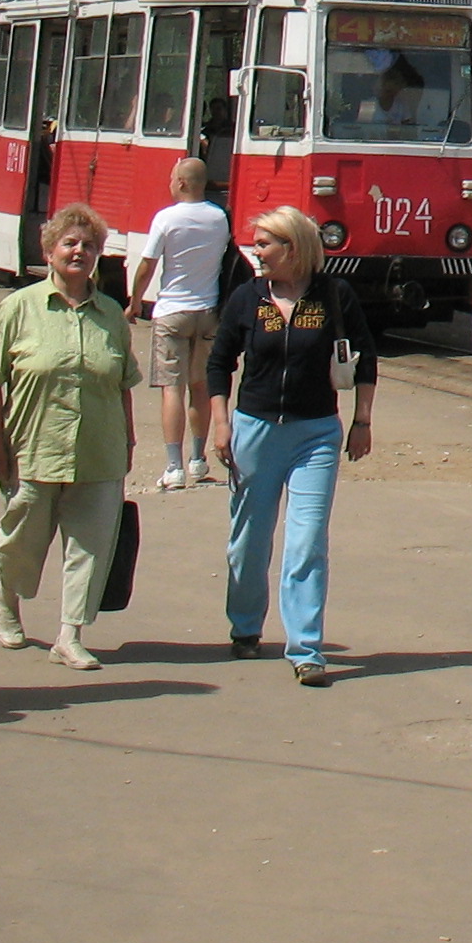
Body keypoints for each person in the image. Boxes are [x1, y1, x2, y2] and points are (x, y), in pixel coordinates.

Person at [206, 206, 377, 686]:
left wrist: (362, 420)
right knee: (249, 541)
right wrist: (221, 424)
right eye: (256, 243)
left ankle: (305, 648)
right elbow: (219, 364)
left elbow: (365, 359)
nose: (256, 252)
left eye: (264, 244)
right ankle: (245, 627)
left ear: (293, 248)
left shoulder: (335, 295)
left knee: (306, 541)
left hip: (316, 434)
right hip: (254, 430)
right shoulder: (247, 297)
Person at [0, 203, 137, 669]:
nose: (80, 251)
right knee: (21, 540)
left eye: (89, 246)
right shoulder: (19, 308)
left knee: (90, 545)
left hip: (98, 451)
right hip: (32, 446)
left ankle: (70, 635)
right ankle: (8, 600)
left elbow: (122, 383)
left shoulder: (111, 314)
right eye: (70, 243)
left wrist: (127, 443)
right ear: (49, 251)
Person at [127, 158, 235, 492]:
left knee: (172, 388)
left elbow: (147, 266)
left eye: (173, 178)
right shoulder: (219, 218)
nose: (170, 183)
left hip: (172, 312)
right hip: (208, 311)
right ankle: (197, 460)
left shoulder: (166, 218)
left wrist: (134, 303)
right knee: (200, 386)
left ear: (184, 183)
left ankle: (173, 468)